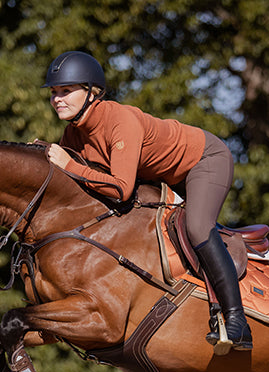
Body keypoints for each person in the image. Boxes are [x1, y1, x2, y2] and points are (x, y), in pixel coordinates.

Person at [41, 50, 252, 354]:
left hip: (204, 160)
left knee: (196, 226)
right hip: (162, 176)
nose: (57, 99)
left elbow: (121, 189)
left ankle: (236, 320)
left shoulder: (120, 120)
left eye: (66, 91)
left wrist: (69, 165)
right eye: (53, 93)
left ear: (92, 92)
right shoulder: (73, 133)